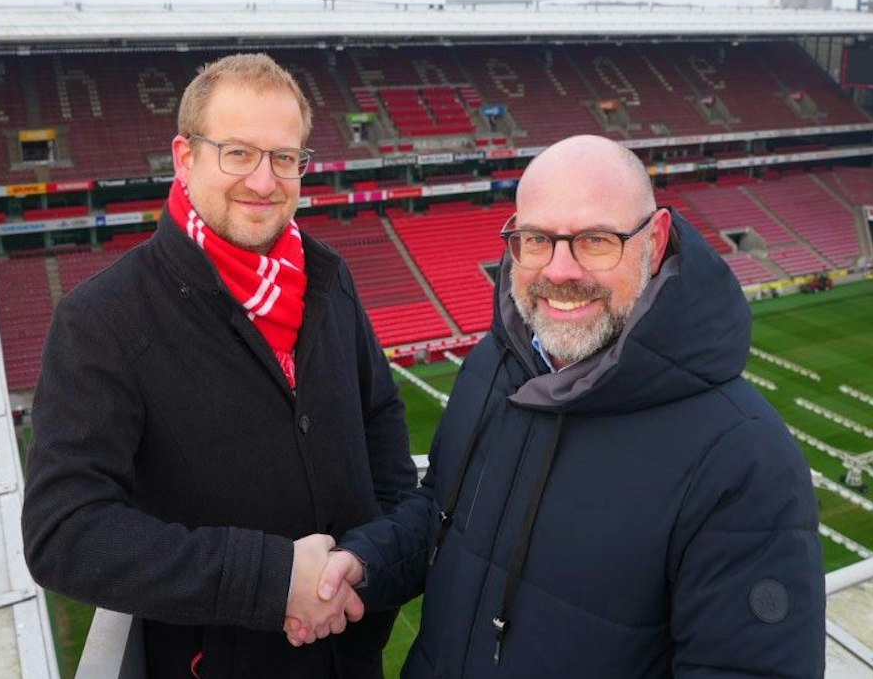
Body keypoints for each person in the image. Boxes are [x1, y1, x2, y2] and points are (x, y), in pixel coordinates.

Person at [318, 135, 825, 677]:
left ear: (655, 240)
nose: (559, 272)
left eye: (595, 240)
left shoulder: (746, 460)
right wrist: (364, 564)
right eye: (537, 239)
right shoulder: (494, 365)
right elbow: (443, 513)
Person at [22, 53, 417, 678]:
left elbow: (382, 426)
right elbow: (64, 532)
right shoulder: (102, 320)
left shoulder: (329, 280)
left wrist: (373, 561)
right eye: (238, 152)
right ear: (186, 157)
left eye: (284, 157)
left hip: (354, 655)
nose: (264, 181)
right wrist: (272, 579)